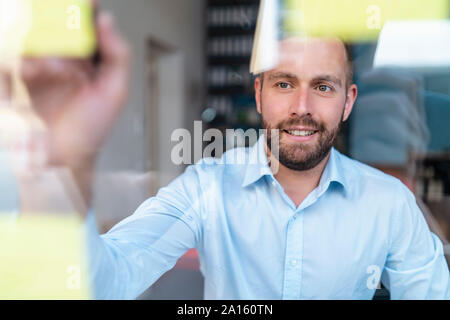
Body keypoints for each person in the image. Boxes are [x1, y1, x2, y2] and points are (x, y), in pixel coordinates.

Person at [4, 12, 450, 299]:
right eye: (283, 83)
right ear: (258, 94)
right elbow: (106, 282)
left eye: (323, 86)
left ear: (348, 101)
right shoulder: (205, 187)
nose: (301, 107)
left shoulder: (389, 204)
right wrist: (67, 163)